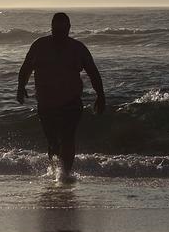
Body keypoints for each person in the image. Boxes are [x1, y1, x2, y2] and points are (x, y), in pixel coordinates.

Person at [17, 12, 105, 177]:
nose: (60, 33)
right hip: (46, 103)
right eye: (56, 29)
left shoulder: (78, 48)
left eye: (63, 29)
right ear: (51, 27)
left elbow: (93, 72)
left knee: (67, 137)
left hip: (70, 102)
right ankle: (54, 172)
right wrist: (20, 87)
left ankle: (64, 174)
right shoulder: (39, 45)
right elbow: (26, 67)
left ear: (69, 28)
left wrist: (100, 95)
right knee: (53, 142)